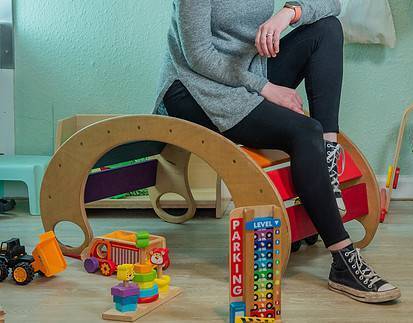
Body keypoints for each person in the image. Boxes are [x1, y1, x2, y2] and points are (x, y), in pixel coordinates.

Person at [153, 0, 400, 303]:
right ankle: (344, 261)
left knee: (326, 29)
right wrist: (264, 87)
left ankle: (328, 157)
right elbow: (199, 56)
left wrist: (289, 12)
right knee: (305, 131)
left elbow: (331, 5)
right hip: (196, 88)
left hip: (248, 72)